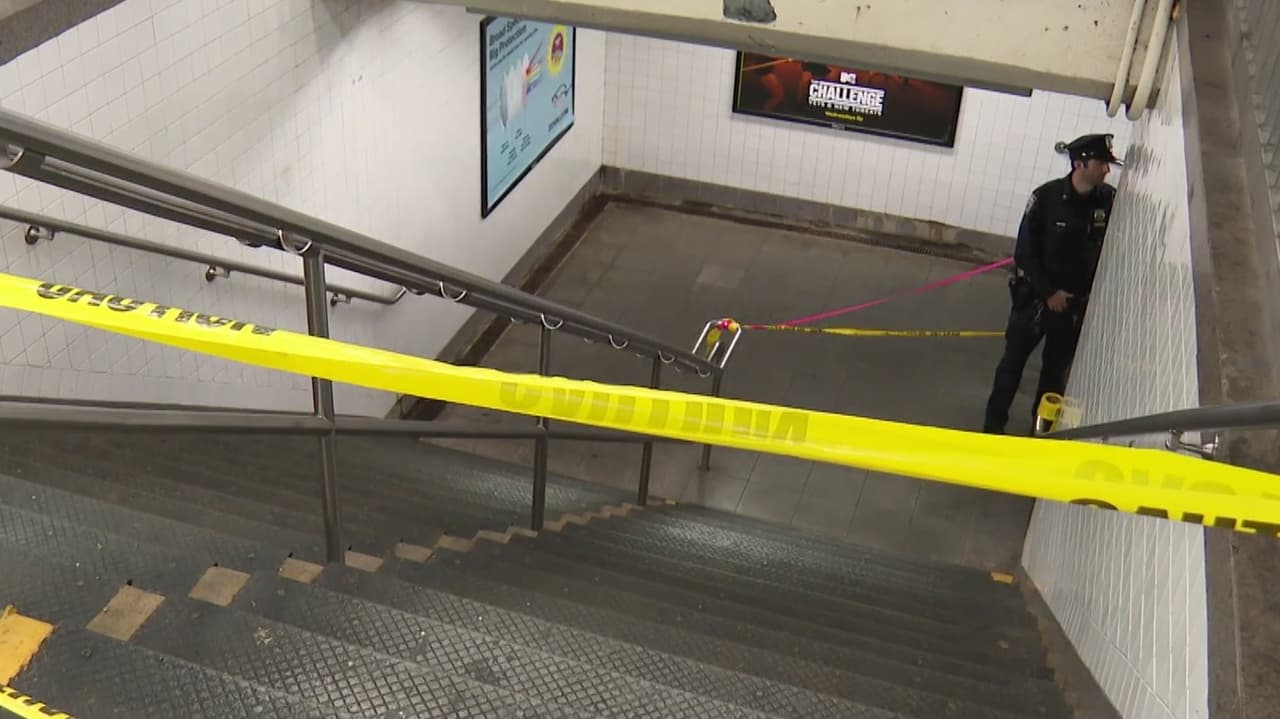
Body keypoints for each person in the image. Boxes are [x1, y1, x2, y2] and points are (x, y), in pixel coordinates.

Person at [982, 133, 1121, 435]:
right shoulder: (1046, 198)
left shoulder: (1108, 202)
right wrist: (1048, 292)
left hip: (1071, 308)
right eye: (1101, 163)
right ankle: (992, 431)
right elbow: (1025, 252)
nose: (1106, 170)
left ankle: (1040, 436)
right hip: (1034, 302)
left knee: (1054, 378)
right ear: (1080, 164)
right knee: (1011, 367)